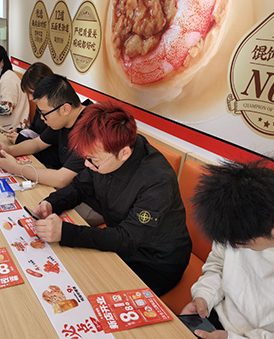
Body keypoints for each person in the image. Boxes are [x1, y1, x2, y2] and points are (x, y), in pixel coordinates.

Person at [31, 101, 192, 296]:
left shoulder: (157, 181)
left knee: (90, 291)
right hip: (120, 241)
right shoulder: (106, 152)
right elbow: (79, 186)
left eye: (93, 160)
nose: (87, 164)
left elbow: (127, 238)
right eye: (85, 157)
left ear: (124, 153)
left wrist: (65, 232)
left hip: (155, 261)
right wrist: (51, 203)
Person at [180, 161, 274, 339]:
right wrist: (204, 296)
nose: (235, 248)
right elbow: (218, 264)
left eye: (242, 244)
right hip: (214, 320)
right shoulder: (237, 226)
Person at [0, 74, 91, 189]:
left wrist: (16, 168)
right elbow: (37, 143)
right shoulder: (63, 119)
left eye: (44, 113)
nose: (41, 118)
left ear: (65, 109)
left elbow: (61, 179)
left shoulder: (91, 129)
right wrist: (8, 150)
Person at [3, 62, 61, 170]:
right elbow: (35, 131)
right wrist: (20, 132)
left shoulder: (58, 115)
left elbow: (53, 154)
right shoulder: (41, 108)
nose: (30, 98)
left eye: (32, 93)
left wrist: (20, 140)